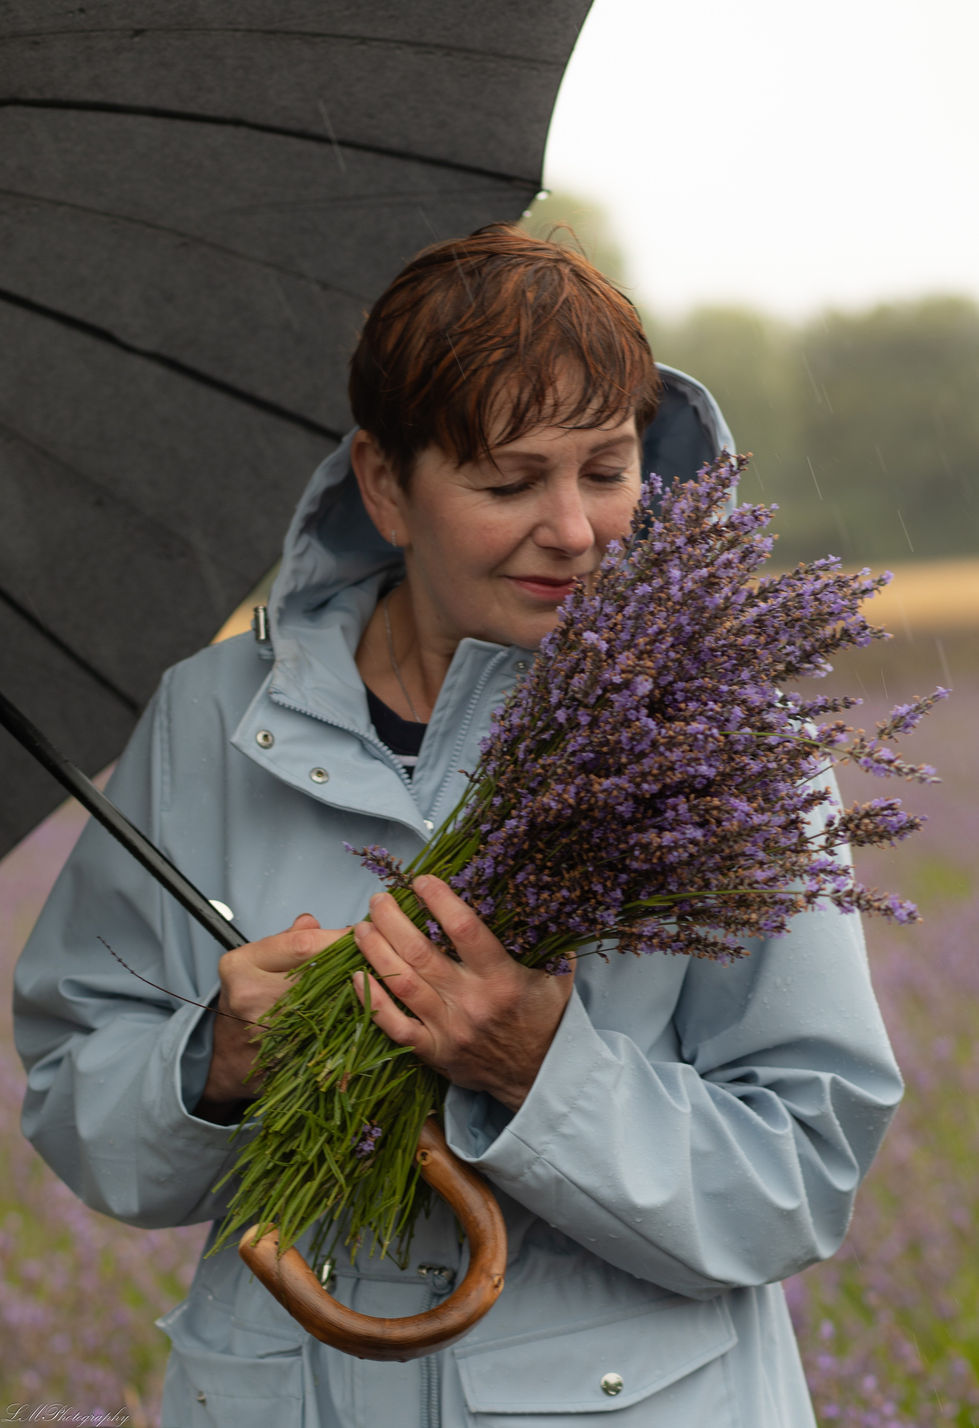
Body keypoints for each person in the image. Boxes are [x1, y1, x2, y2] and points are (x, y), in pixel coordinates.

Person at [14, 226, 902, 1427]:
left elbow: (799, 1174)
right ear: (385, 484)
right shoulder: (208, 719)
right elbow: (81, 1092)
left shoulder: (721, 745)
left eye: (605, 468)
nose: (576, 530)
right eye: (506, 481)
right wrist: (212, 1063)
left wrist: (542, 1070)